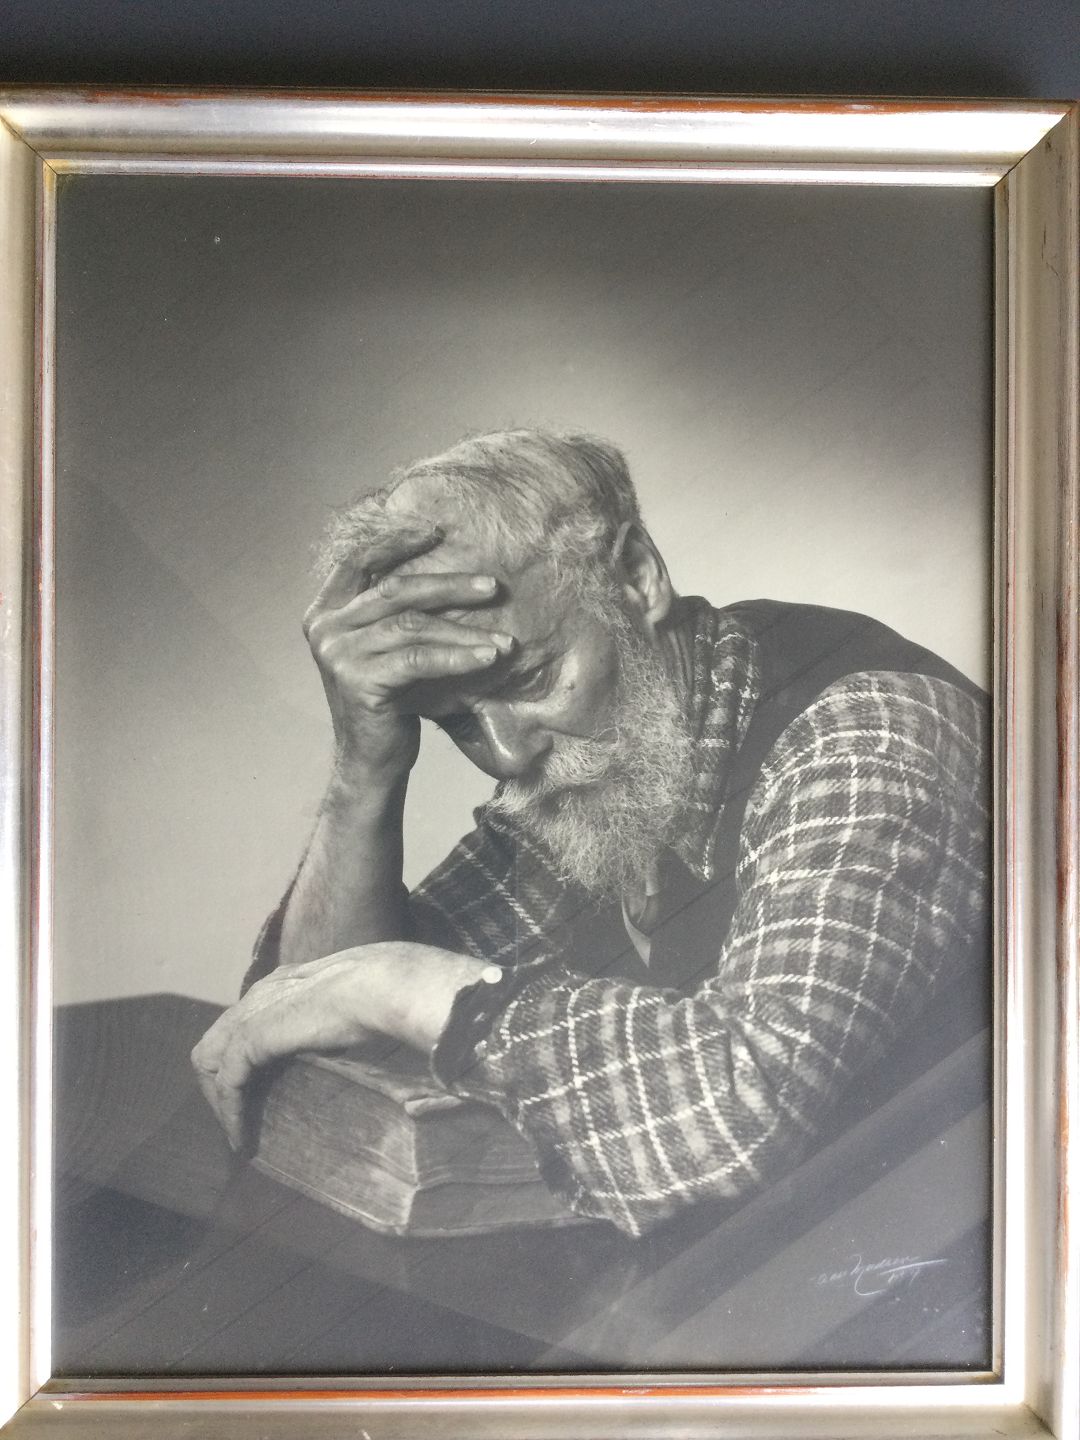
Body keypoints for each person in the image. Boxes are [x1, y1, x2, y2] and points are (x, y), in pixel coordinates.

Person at [191, 428, 990, 1238]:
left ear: (636, 576)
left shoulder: (873, 734)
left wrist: (394, 984)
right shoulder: (595, 776)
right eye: (456, 720)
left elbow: (745, 1106)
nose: (506, 755)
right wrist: (366, 766)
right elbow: (302, 1017)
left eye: (531, 677)